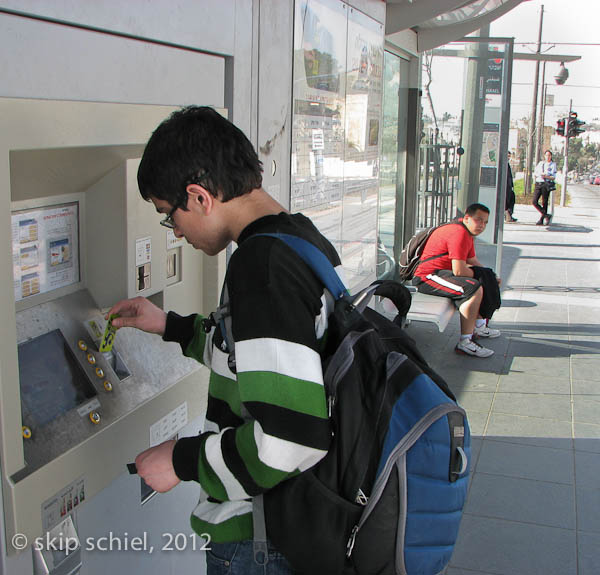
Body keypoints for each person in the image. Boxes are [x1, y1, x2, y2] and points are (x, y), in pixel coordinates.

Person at [107, 106, 341, 574]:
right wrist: (170, 326)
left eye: (167, 216)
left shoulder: (261, 268)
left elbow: (290, 438)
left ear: (198, 196)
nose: (175, 232)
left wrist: (181, 460)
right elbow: (254, 356)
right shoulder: (297, 238)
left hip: (259, 537)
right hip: (285, 526)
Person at [413, 203, 501, 358]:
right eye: (478, 220)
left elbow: (472, 261)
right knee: (474, 289)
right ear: (467, 218)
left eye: (485, 222)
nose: (482, 225)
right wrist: (483, 277)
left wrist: (490, 277)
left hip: (442, 274)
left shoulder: (466, 233)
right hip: (427, 277)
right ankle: (465, 342)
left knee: (483, 279)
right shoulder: (458, 233)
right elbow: (459, 270)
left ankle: (479, 326)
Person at [532, 149, 557, 226]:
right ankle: (546, 215)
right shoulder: (541, 163)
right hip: (538, 183)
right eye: (546, 155)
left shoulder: (553, 165)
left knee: (544, 202)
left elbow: (553, 177)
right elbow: (535, 172)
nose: (548, 157)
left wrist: (546, 176)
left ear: (551, 156)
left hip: (546, 184)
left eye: (549, 155)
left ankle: (542, 219)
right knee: (534, 201)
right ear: (544, 156)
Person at [504, 151, 517, 222]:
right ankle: (507, 215)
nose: (508, 157)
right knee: (507, 201)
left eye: (509, 156)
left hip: (509, 186)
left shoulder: (507, 164)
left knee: (512, 198)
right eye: (507, 156)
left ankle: (509, 214)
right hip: (505, 187)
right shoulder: (503, 164)